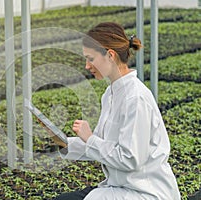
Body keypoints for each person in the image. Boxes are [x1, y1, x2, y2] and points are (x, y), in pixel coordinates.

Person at [49, 22, 181, 200]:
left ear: (110, 55)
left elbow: (130, 159)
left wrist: (89, 138)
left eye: (91, 58)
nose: (87, 66)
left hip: (147, 193)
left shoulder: (135, 98)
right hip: (123, 187)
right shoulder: (110, 94)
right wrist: (64, 144)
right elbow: (103, 146)